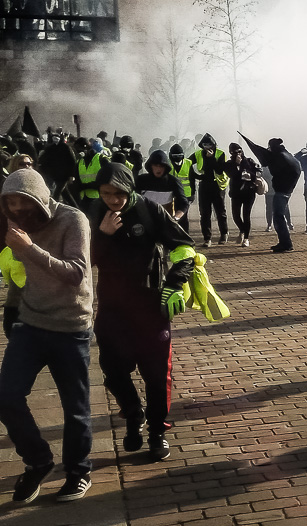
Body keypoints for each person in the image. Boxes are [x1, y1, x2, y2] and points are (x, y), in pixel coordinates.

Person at [0, 168, 95, 502]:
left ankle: (79, 470)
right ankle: (38, 461)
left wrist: (29, 249)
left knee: (75, 407)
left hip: (71, 325)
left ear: (39, 199)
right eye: (10, 204)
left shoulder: (73, 220)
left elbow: (76, 272)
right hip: (31, 321)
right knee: (6, 396)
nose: (17, 211)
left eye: (23, 203)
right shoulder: (12, 220)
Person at [88, 164, 194, 461]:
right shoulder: (94, 213)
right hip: (112, 307)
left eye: (119, 193)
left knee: (157, 375)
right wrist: (104, 234)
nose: (113, 199)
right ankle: (133, 412)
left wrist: (174, 284)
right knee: (113, 371)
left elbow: (184, 248)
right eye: (106, 193)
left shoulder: (150, 210)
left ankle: (157, 432)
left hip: (150, 306)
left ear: (130, 188)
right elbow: (84, 260)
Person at [263, 139, 302, 253]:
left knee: (278, 217)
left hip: (281, 191)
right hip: (286, 190)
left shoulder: (280, 157)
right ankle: (284, 242)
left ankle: (286, 244)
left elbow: (275, 171)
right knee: (279, 216)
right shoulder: (287, 155)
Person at [191, 133, 229, 247]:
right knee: (204, 213)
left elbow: (219, 170)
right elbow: (187, 164)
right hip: (204, 185)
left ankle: (224, 233)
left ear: (214, 144)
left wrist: (211, 158)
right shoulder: (198, 154)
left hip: (217, 185)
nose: (207, 147)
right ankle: (207, 238)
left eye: (210, 144)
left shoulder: (220, 153)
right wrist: (197, 176)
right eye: (205, 145)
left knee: (220, 211)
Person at [135, 150, 190, 227]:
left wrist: (176, 218)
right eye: (155, 165)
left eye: (161, 166)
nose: (158, 169)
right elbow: (133, 200)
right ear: (150, 166)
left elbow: (184, 203)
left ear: (166, 167)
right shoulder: (141, 180)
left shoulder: (173, 181)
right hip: (145, 222)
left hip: (166, 223)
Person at [224, 143, 260, 247]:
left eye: (239, 151)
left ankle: (246, 238)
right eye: (235, 152)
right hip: (236, 193)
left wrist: (250, 174)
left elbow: (257, 173)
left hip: (249, 192)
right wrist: (238, 166)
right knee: (236, 216)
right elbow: (232, 175)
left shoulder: (249, 161)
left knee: (246, 215)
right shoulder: (229, 164)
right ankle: (242, 230)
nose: (238, 154)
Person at [73, 138, 109, 211]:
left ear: (85, 147)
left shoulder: (101, 159)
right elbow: (77, 179)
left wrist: (86, 186)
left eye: (79, 149)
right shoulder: (80, 162)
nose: (78, 152)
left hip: (99, 198)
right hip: (84, 199)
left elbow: (106, 179)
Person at [167, 144, 193, 233]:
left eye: (179, 155)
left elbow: (192, 179)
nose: (177, 157)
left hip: (185, 194)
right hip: (171, 195)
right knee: (171, 215)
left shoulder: (188, 163)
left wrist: (193, 193)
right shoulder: (167, 164)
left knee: (183, 216)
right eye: (175, 156)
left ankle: (185, 235)